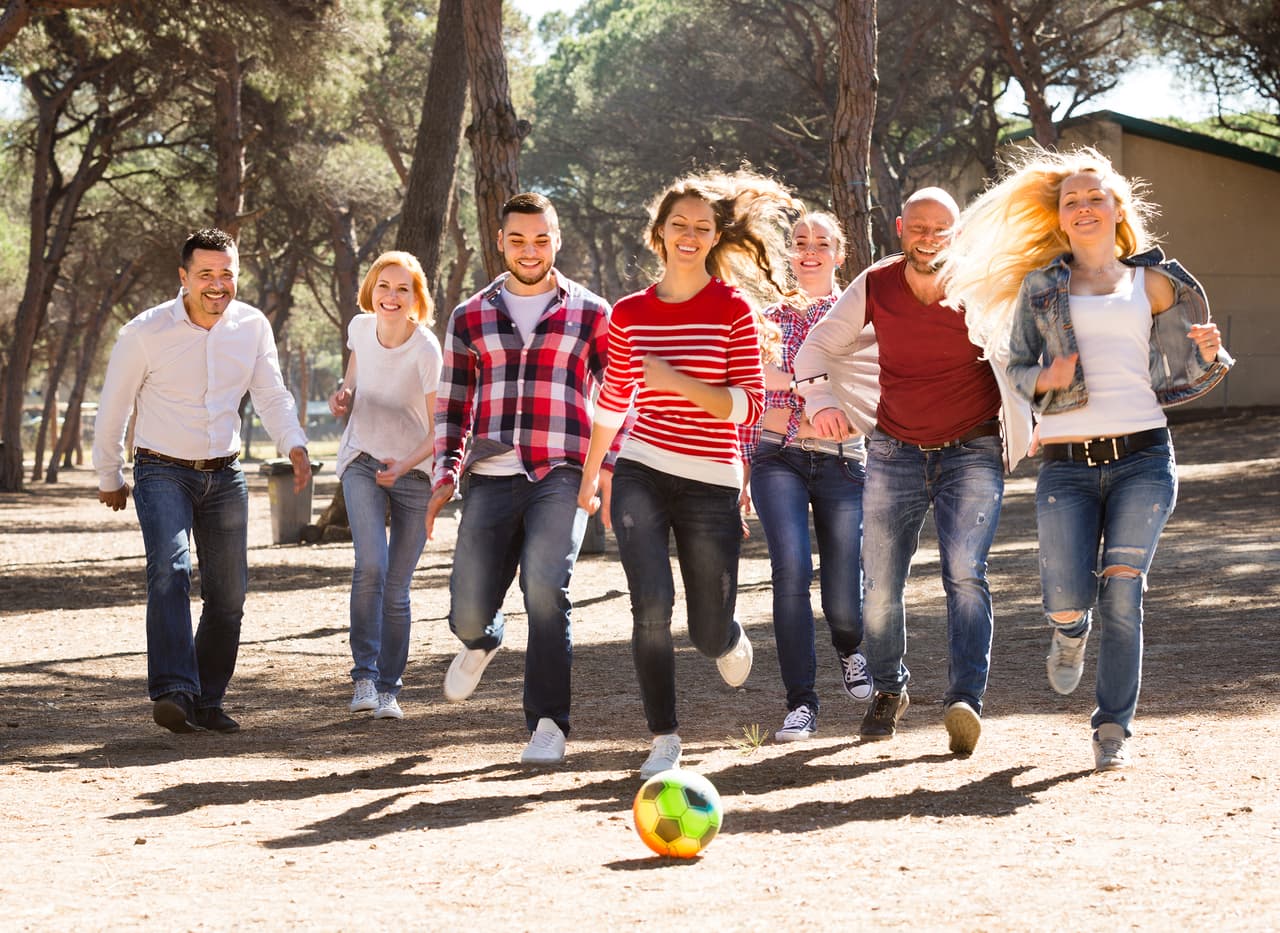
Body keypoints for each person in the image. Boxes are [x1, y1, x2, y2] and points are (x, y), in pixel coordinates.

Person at [943, 147, 1231, 770]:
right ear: (1061, 218)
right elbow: (1015, 370)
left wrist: (1209, 354)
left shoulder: (1154, 284)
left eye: (1094, 197)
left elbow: (1182, 374)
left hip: (1145, 458)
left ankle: (1112, 728)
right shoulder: (1043, 286)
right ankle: (1069, 632)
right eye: (1071, 200)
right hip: (1068, 465)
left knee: (1124, 594)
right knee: (1068, 600)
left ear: (1116, 209)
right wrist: (1046, 379)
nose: (1082, 207)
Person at [793, 188, 1032, 756]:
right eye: (919, 227)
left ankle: (965, 699)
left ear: (959, 233)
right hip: (893, 452)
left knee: (966, 574)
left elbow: (1027, 347)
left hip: (971, 450)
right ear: (901, 228)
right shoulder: (876, 283)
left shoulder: (981, 284)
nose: (930, 239)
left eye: (942, 229)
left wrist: (1033, 410)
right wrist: (820, 401)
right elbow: (813, 349)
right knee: (879, 587)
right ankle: (888, 688)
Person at [578, 168, 799, 778]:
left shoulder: (731, 309)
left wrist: (674, 380)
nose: (690, 235)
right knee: (649, 604)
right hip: (641, 468)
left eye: (703, 227)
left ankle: (726, 635)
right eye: (679, 224)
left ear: (714, 238)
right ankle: (663, 736)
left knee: (703, 632)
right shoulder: (627, 314)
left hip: (711, 478)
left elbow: (750, 405)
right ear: (659, 233)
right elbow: (613, 402)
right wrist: (592, 473)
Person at [93, 227, 311, 734]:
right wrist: (110, 473)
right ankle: (172, 691)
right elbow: (114, 407)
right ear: (184, 277)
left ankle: (207, 700)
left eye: (227, 274)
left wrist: (294, 444)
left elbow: (272, 394)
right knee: (169, 570)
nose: (218, 285)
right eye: (206, 275)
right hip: (161, 469)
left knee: (229, 595)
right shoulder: (144, 333)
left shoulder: (252, 326)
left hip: (225, 473)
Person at [426, 192, 615, 766]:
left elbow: (618, 396)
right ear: (501, 242)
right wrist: (445, 473)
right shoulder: (469, 316)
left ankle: (549, 724)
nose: (529, 250)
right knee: (465, 608)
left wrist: (603, 470)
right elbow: (453, 403)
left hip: (560, 472)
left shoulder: (592, 312)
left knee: (545, 589)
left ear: (556, 240)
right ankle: (483, 640)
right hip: (490, 474)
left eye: (540, 239)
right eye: (517, 240)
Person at [737, 212, 878, 743]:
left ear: (840, 253)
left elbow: (862, 383)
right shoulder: (767, 318)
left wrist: (795, 379)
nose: (811, 251)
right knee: (790, 571)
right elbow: (751, 384)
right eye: (801, 243)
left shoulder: (861, 317)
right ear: (789, 254)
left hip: (844, 460)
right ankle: (802, 703)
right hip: (778, 456)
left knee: (843, 594)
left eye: (822, 243)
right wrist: (812, 383)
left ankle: (849, 647)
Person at [328, 251, 442, 722]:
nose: (390, 297)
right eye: (383, 286)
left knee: (396, 588)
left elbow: (441, 429)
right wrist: (344, 396)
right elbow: (355, 378)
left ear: (417, 299)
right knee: (370, 565)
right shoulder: (360, 328)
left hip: (414, 473)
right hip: (363, 460)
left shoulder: (426, 350)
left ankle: (391, 688)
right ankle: (365, 678)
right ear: (371, 291)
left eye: (402, 289)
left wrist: (404, 466)